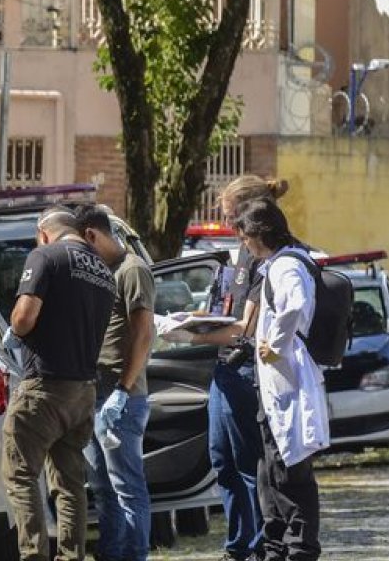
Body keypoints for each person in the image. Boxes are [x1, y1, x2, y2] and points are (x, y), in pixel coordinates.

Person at [168, 174, 288, 561]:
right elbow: (223, 310)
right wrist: (191, 318)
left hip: (246, 370)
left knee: (249, 463)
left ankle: (258, 546)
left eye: (228, 214)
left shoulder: (263, 258)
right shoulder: (235, 256)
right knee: (222, 460)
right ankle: (237, 545)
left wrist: (193, 337)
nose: (225, 222)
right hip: (223, 371)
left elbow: (245, 329)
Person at [0, 206, 115, 561]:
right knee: (69, 484)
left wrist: (15, 330)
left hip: (45, 387)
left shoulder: (45, 256)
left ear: (43, 233)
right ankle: (71, 555)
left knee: (19, 473)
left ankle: (33, 554)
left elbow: (23, 318)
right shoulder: (104, 272)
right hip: (82, 391)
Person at [235, 198, 328, 561]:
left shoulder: (286, 265)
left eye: (245, 238)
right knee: (271, 469)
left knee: (290, 471)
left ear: (260, 233)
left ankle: (299, 549)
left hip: (287, 381)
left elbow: (294, 305)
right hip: (277, 385)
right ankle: (277, 545)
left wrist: (274, 345)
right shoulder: (282, 262)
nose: (244, 245)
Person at [77, 205, 154, 561]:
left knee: (127, 489)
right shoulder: (102, 271)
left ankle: (135, 555)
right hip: (97, 392)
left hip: (121, 395)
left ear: (92, 235)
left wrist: (123, 390)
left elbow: (143, 334)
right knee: (103, 488)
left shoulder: (132, 269)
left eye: (83, 244)